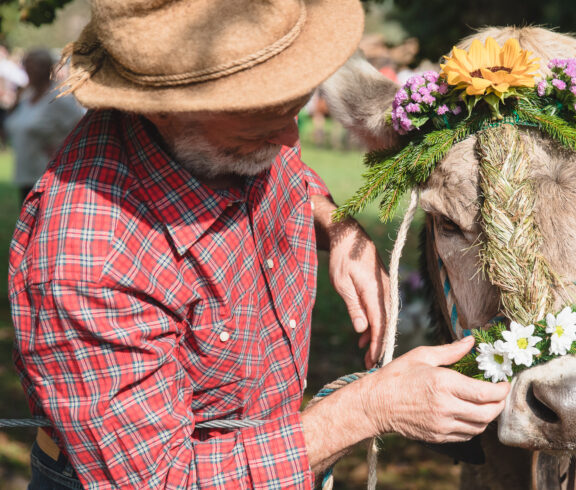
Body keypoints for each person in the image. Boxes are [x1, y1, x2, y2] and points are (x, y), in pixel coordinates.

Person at [10, 1, 509, 489]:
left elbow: (288, 173)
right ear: (164, 109)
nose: (290, 136)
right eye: (262, 118)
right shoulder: (89, 259)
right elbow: (163, 480)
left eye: (292, 105)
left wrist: (338, 227)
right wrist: (369, 408)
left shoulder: (221, 143)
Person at [3, 49, 83, 203]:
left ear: (47, 68)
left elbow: (80, 126)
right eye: (28, 66)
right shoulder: (26, 96)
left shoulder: (59, 98)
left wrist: (62, 149)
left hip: (50, 174)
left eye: (36, 66)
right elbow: (13, 124)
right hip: (26, 172)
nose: (31, 70)